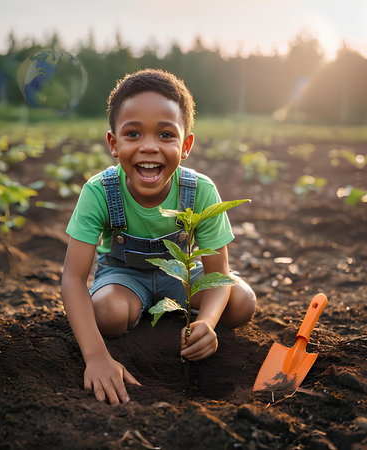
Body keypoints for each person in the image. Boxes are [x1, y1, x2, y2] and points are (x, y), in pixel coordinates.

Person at [61, 68, 256, 405]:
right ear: (113, 143)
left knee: (240, 303)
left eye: (165, 135)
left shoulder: (200, 191)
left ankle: (181, 322)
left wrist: (208, 324)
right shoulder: (99, 192)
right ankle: (145, 316)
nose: (148, 147)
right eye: (133, 134)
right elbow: (73, 278)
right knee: (106, 313)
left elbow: (217, 274)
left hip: (184, 277)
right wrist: (96, 356)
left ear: (185, 145)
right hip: (125, 277)